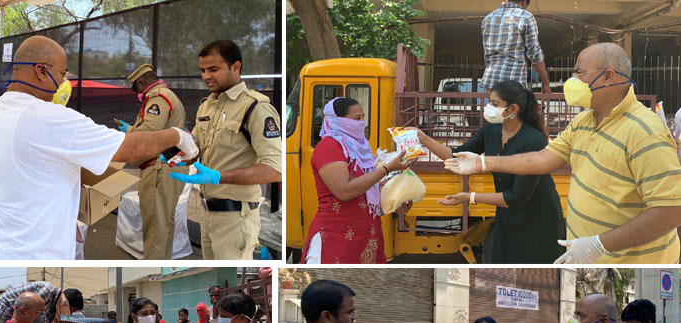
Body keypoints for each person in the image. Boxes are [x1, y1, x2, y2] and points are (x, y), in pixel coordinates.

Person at [446, 43, 681, 264]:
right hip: (589, 258)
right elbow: (541, 159)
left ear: (608, 76)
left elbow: (671, 211)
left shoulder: (644, 131)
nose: (573, 81)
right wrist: (482, 163)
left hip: (630, 261)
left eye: (580, 74)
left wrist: (599, 245)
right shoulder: (583, 121)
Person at [0, 36, 198, 260]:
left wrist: (65, 215)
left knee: (160, 226)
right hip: (34, 250)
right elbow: (130, 149)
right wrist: (177, 135)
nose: (64, 81)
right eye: (63, 74)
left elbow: (21, 174)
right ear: (41, 71)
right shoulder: (50, 117)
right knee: (159, 227)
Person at [415, 81, 564, 263]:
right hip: (507, 215)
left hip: (537, 217)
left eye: (495, 104)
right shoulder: (491, 131)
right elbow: (456, 156)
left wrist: (470, 197)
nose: (488, 108)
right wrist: (423, 138)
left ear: (513, 109)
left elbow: (517, 198)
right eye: (489, 102)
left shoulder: (532, 140)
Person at [166, 40, 282, 260]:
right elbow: (198, 149)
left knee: (231, 277)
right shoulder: (207, 105)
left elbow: (275, 170)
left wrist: (219, 177)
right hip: (207, 213)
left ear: (235, 67)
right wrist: (183, 153)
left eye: (213, 69)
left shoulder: (255, 107)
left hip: (236, 216)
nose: (206, 76)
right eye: (202, 70)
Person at [302, 96, 411, 264]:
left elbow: (368, 194)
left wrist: (396, 203)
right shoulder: (329, 147)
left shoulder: (362, 148)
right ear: (338, 120)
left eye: (363, 117)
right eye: (356, 118)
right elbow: (345, 191)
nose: (362, 123)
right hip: (335, 236)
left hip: (367, 237)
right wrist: (387, 169)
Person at [115, 63, 187, 260]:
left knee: (155, 227)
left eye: (135, 87)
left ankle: (154, 263)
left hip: (159, 168)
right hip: (169, 165)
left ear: (143, 82)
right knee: (164, 224)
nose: (135, 92)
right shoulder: (167, 95)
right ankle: (161, 260)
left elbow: (149, 132)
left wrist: (129, 131)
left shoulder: (158, 98)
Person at [481, 0, 550, 91]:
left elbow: (487, 53)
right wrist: (545, 83)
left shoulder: (487, 19)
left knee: (494, 104)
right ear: (524, 2)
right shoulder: (526, 17)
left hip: (490, 80)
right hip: (513, 81)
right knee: (513, 106)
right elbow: (534, 53)